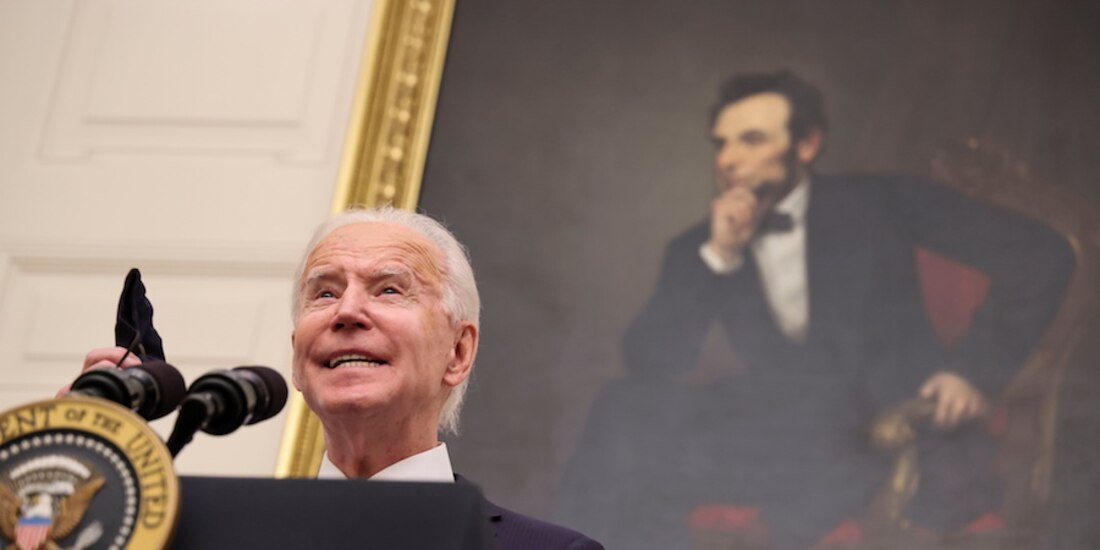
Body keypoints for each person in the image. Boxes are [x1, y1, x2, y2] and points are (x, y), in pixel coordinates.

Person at [556, 71, 1072, 548]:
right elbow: (651, 362)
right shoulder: (702, 244)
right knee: (621, 409)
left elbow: (1041, 254)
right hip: (776, 430)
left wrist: (970, 371)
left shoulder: (884, 203)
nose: (730, 159)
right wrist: (718, 259)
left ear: (808, 144)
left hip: (878, 427)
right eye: (722, 142)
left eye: (752, 139)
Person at [81, 208, 603, 550]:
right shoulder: (194, 538)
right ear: (297, 359)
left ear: (458, 352)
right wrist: (88, 477)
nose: (347, 311)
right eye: (325, 293)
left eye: (390, 290)